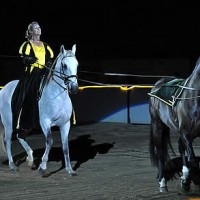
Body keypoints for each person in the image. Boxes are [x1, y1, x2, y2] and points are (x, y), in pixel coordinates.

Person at [11, 21, 54, 139]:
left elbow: (49, 58)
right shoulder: (27, 45)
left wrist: (49, 65)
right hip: (32, 73)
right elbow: (24, 58)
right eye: (36, 28)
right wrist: (30, 59)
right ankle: (25, 123)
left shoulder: (45, 45)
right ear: (30, 32)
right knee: (30, 94)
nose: (39, 29)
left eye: (39, 27)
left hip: (44, 72)